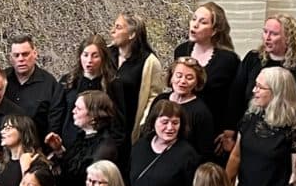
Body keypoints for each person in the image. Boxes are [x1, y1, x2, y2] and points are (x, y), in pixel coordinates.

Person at [173, 1, 239, 149]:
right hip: (181, 124)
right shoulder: (181, 51)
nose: (195, 25)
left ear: (214, 30)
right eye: (194, 19)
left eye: (202, 22)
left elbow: (233, 98)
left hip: (212, 129)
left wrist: (229, 131)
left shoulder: (228, 60)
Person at [126, 102, 199, 186]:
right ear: (153, 122)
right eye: (165, 122)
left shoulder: (188, 154)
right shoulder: (141, 145)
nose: (170, 128)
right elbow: (125, 174)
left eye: (175, 123)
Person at [231, 12, 296, 115]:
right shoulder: (253, 58)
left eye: (274, 34)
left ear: (288, 38)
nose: (267, 38)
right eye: (265, 32)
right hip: (252, 122)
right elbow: (236, 95)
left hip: (289, 123)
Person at [53, 90, 124, 186]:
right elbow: (70, 168)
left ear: (93, 115)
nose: (73, 111)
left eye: (78, 109)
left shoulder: (105, 147)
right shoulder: (82, 136)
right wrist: (59, 150)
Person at [56, 37, 124, 152]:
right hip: (68, 144)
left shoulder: (112, 84)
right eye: (85, 55)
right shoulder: (68, 81)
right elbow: (58, 112)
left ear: (103, 58)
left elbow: (119, 122)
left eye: (95, 56)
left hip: (97, 148)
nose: (89, 60)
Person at [106, 12, 163, 140]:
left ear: (132, 34)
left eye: (118, 27)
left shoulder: (149, 62)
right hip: (105, 127)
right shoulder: (107, 54)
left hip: (129, 130)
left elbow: (153, 98)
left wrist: (143, 125)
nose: (112, 31)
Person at [147, 58, 215, 160]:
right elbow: (148, 131)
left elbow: (204, 152)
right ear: (171, 77)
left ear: (197, 82)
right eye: (178, 76)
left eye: (189, 77)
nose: (182, 81)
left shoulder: (201, 112)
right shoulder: (160, 99)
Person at [5, 36, 60, 149]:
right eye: (16, 55)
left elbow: (55, 119)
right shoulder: (2, 80)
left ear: (35, 53)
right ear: (11, 58)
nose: (21, 59)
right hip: (4, 149)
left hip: (36, 149)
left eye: (25, 54)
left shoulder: (49, 84)